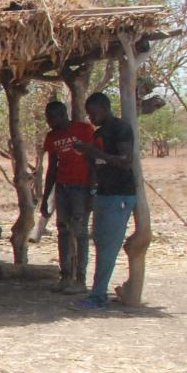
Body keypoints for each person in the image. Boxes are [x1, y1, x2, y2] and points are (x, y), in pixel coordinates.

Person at [75, 92, 136, 311]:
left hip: (119, 195)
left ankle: (98, 296)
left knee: (108, 248)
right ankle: (97, 293)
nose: (90, 118)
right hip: (103, 194)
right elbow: (97, 164)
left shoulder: (121, 129)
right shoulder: (99, 133)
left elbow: (126, 161)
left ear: (104, 108)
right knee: (101, 244)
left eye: (93, 113)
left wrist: (95, 152)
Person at [40, 99, 95, 294]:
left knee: (80, 232)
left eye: (52, 117)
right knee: (63, 230)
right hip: (62, 188)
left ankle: (80, 279)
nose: (49, 122)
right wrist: (46, 197)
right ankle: (65, 276)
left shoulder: (83, 130)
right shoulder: (52, 137)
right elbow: (52, 168)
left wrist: (93, 190)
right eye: (47, 118)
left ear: (63, 114)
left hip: (81, 187)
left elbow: (93, 159)